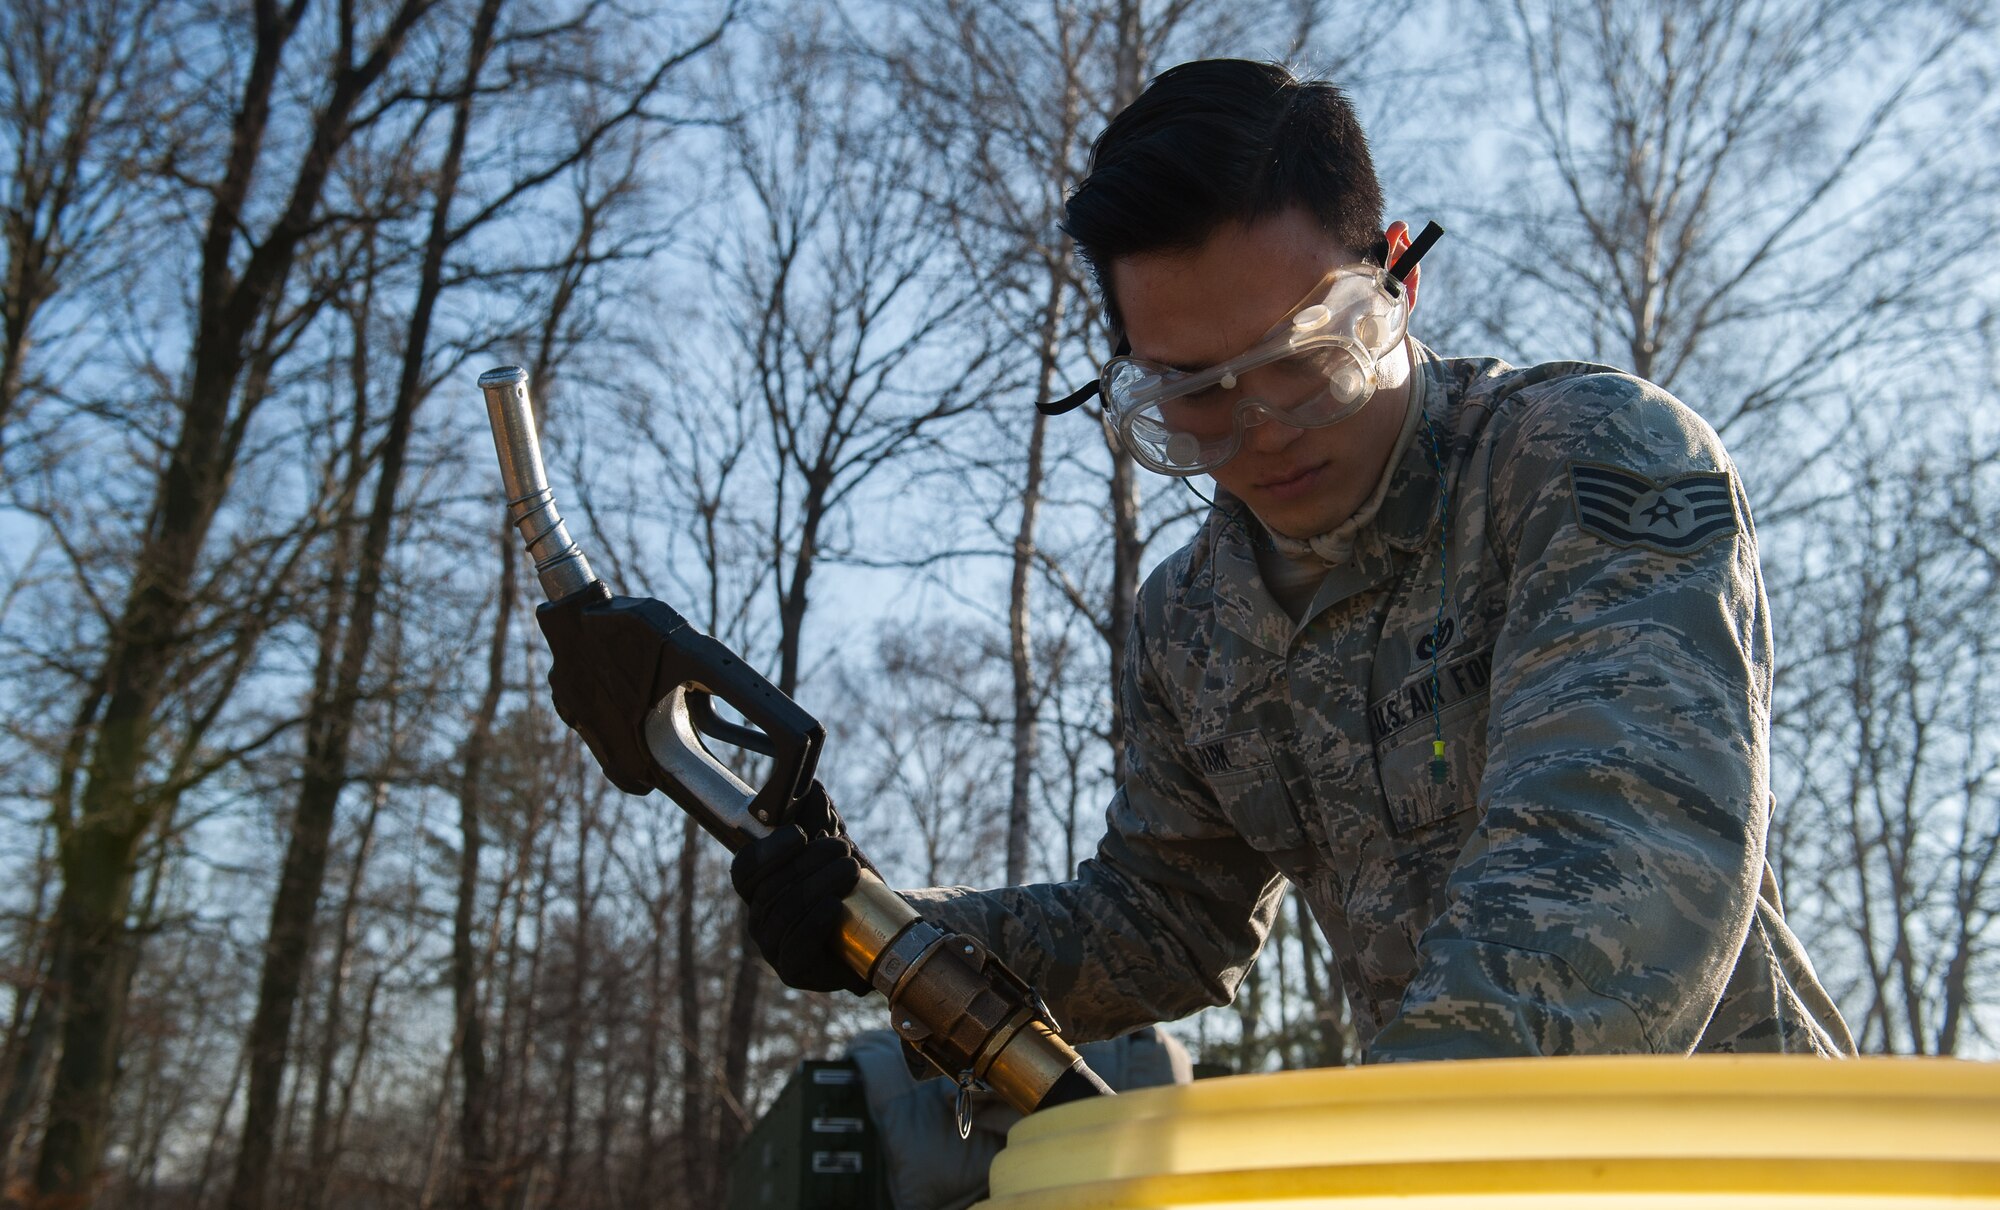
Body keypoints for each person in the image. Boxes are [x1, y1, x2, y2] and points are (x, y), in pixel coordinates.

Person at [731, 58, 1853, 1061]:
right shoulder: (1188, 625)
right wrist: (889, 935)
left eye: (1300, 358)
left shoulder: (1583, 461)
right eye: (1192, 393)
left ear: (1394, 282)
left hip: (1731, 1153)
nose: (1259, 430)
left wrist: (1401, 1149)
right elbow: (1163, 923)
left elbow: (1620, 846)